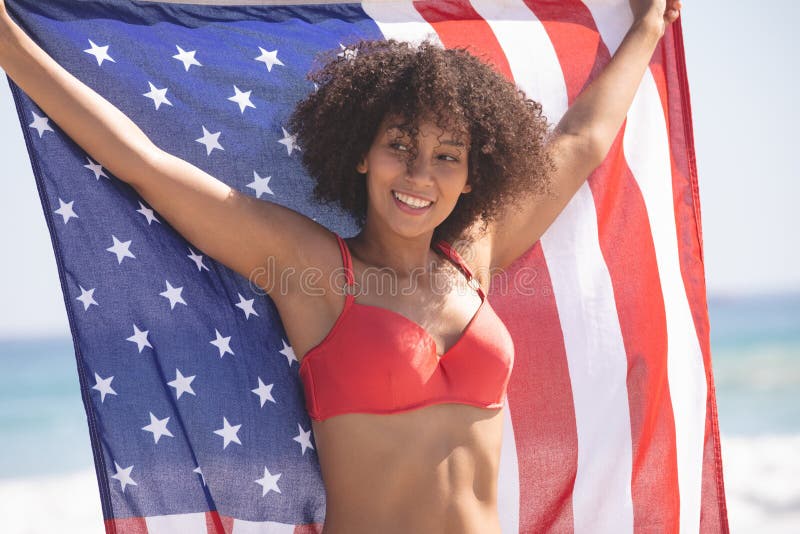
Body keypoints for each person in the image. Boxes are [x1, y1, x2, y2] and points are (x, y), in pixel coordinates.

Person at [0, 0, 682, 532]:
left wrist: (648, 25)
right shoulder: (317, 273)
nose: (419, 173)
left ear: (472, 175)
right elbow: (148, 166)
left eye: (447, 155)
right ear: (361, 153)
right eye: (398, 146)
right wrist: (10, 43)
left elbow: (582, 141)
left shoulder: (474, 257)